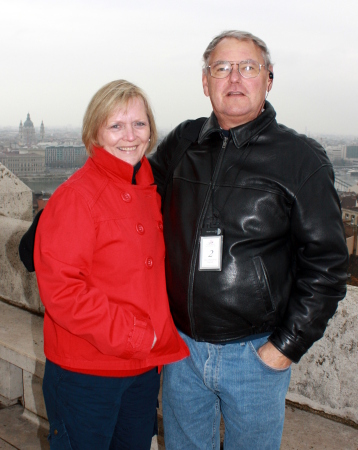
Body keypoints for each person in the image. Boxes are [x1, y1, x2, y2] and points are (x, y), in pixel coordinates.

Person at [149, 31, 348, 450]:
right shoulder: (184, 143)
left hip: (254, 353)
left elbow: (327, 266)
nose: (234, 78)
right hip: (182, 349)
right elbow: (128, 195)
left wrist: (284, 348)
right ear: (206, 82)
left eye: (249, 67)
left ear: (269, 79)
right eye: (222, 68)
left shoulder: (300, 158)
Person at [29, 80, 189, 450]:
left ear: (151, 130)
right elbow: (64, 292)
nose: (129, 136)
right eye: (116, 125)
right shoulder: (76, 196)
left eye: (139, 123)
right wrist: (138, 336)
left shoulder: (149, 191)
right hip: (87, 373)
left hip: (142, 370)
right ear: (95, 134)